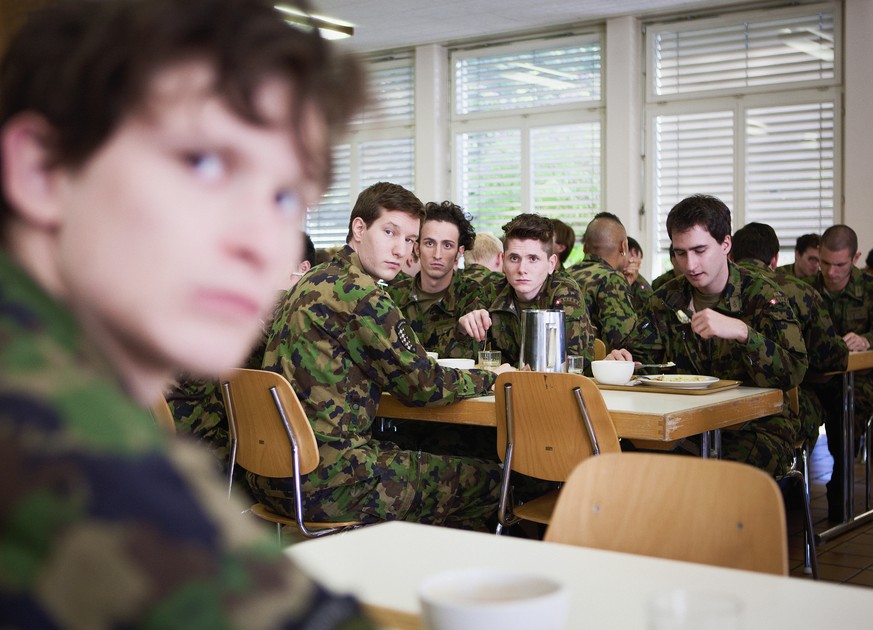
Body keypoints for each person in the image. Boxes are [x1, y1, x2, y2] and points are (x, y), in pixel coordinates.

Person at [0, 0, 372, 627]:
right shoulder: (57, 427)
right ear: (42, 169)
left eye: (286, 196)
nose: (261, 240)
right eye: (205, 163)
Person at [249, 182, 509, 530]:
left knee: (411, 453)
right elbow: (424, 385)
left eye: (409, 240)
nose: (402, 250)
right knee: (493, 481)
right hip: (330, 484)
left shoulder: (309, 282)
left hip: (271, 474)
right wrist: (493, 376)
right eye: (390, 232)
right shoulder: (362, 296)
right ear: (359, 229)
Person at [609, 195, 807, 476]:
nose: (690, 265)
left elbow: (795, 371)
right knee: (621, 465)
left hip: (757, 426)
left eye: (700, 250)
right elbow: (641, 359)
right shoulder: (667, 298)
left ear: (726, 244)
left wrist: (742, 332)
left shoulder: (762, 296)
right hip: (686, 424)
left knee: (722, 480)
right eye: (680, 253)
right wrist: (622, 361)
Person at [730, 222, 848, 447]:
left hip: (719, 405)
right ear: (775, 259)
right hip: (783, 405)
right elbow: (831, 357)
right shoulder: (800, 291)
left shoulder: (714, 290)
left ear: (732, 255)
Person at [457, 213, 594, 367]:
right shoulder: (490, 293)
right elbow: (463, 362)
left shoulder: (564, 293)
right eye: (514, 258)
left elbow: (574, 363)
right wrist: (463, 331)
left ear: (551, 263)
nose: (522, 269)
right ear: (503, 260)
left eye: (533, 259)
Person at [804, 224, 873, 521]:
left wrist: (868, 339)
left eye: (840, 265)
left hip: (860, 381)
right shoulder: (802, 286)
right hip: (812, 379)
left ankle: (840, 493)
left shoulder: (869, 288)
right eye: (825, 263)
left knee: (845, 417)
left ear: (855, 258)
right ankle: (788, 493)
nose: (831, 272)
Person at [388, 200, 478, 356]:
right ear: (416, 248)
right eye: (429, 243)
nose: (437, 255)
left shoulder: (471, 294)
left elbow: (468, 356)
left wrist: (459, 330)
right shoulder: (394, 294)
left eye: (447, 245)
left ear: (459, 252)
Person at [568, 213, 650, 354]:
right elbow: (624, 344)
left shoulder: (564, 275)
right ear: (623, 247)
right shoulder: (611, 279)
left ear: (584, 247)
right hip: (595, 373)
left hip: (558, 373)